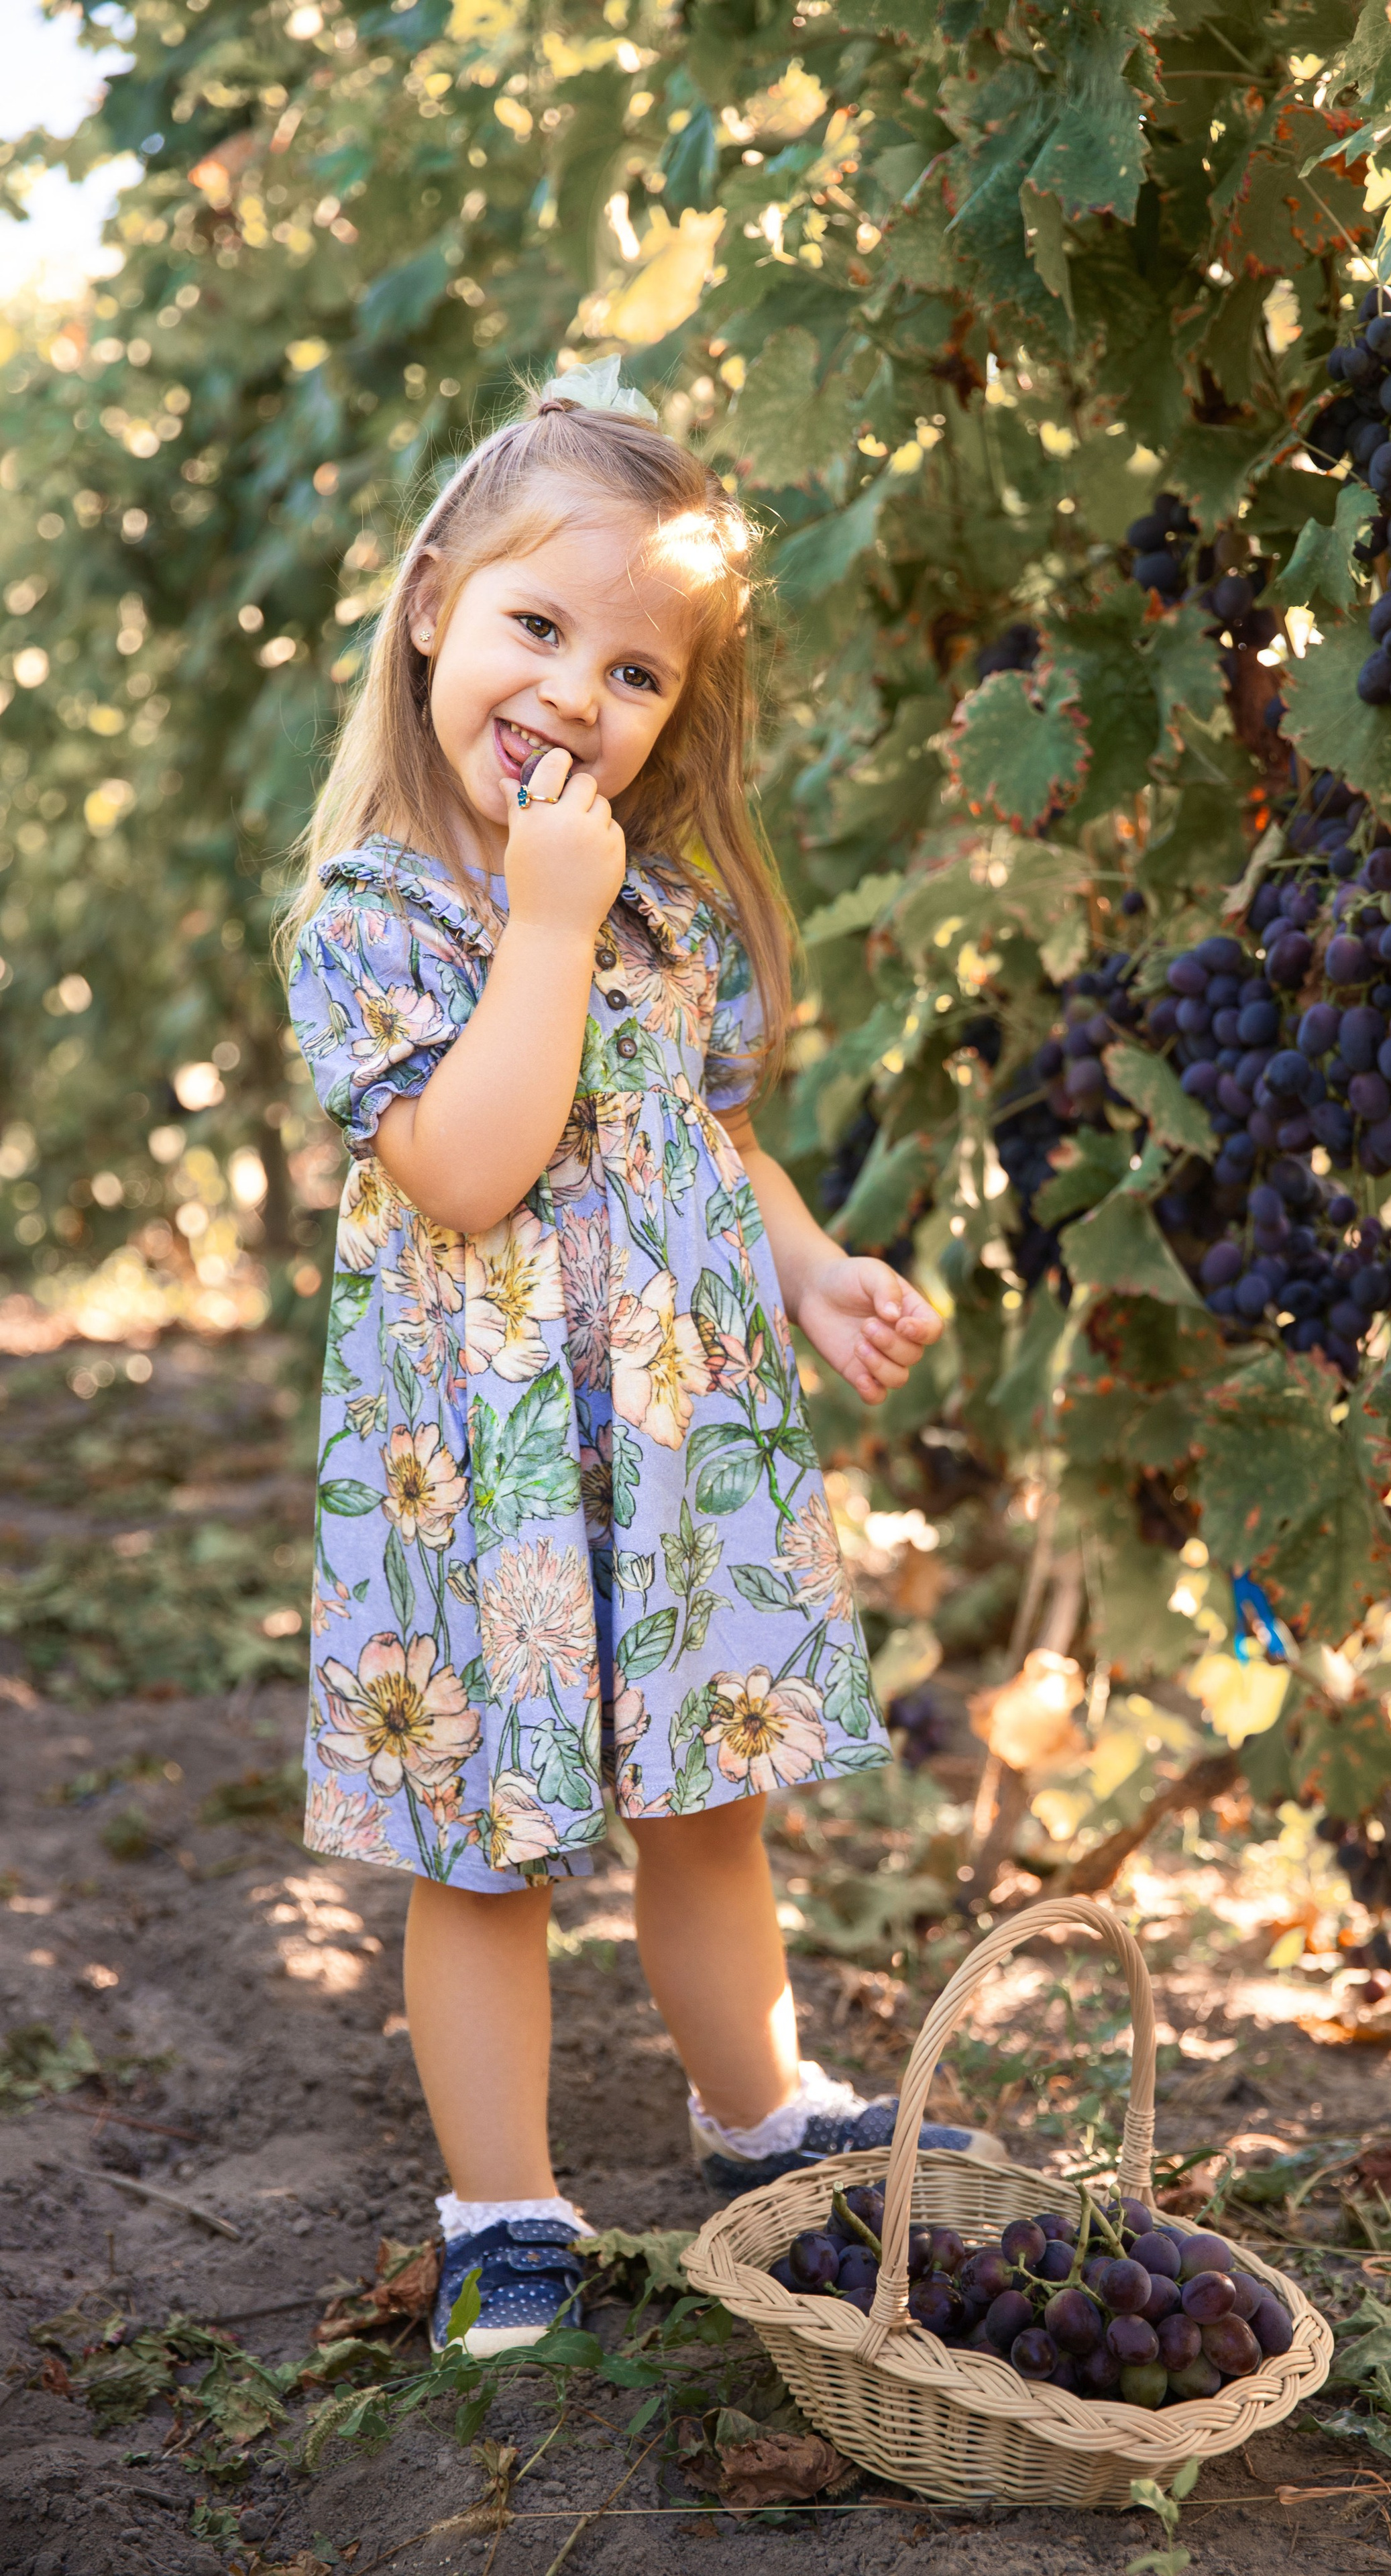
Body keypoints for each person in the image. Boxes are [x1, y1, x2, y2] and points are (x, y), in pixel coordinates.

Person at [280, 361, 1002, 2358]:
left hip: (678, 1451)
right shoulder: (380, 919)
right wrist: (540, 933)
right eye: (536, 628)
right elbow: (471, 1162)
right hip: (485, 1468)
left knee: (709, 1808)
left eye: (633, 673)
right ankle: (503, 2209)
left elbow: (712, 1138)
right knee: (490, 1850)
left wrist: (814, 1269)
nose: (572, 696)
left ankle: (751, 2105)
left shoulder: (664, 916)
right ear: (432, 602)